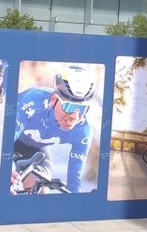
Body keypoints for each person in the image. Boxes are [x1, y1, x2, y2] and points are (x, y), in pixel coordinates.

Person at [11, 64, 95, 194]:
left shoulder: (83, 129)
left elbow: (74, 183)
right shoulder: (33, 101)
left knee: (40, 191)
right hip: (8, 138)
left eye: (82, 109)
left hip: (34, 149)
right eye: (69, 107)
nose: (75, 116)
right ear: (54, 99)